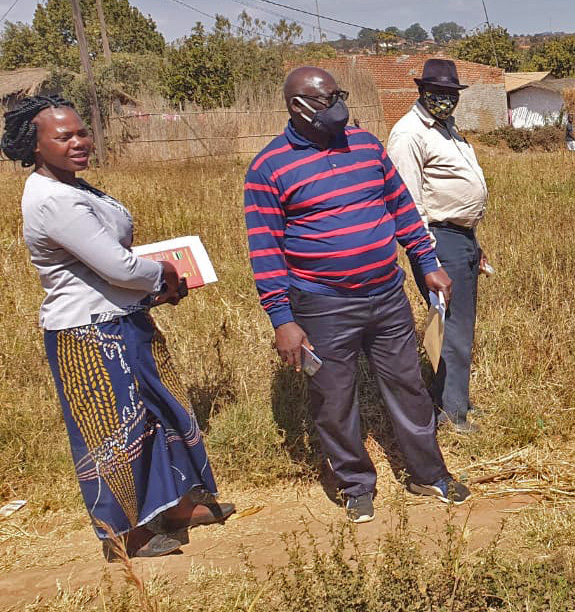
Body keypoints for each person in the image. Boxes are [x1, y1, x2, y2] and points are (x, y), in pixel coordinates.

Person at [7, 96, 234, 561]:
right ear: (36, 145)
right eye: (64, 136)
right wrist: (163, 275)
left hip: (124, 319)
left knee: (159, 414)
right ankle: (124, 534)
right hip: (88, 333)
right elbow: (115, 265)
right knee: (112, 434)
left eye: (81, 132)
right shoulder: (51, 199)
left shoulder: (75, 187)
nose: (79, 142)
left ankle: (175, 508)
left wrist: (150, 284)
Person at [244, 67, 469, 524]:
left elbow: (402, 208)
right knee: (334, 400)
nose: (338, 106)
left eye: (339, 95)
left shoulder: (365, 146)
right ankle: (355, 484)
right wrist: (282, 319)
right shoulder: (268, 168)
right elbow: (265, 250)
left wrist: (427, 263)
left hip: (386, 295)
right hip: (322, 305)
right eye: (327, 99)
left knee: (408, 386)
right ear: (297, 106)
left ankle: (428, 474)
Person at [387, 58, 490, 435]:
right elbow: (408, 204)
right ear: (421, 91)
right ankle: (452, 415)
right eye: (438, 93)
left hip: (460, 236)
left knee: (459, 325)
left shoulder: (446, 128)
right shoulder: (409, 134)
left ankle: (454, 399)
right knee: (452, 329)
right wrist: (428, 258)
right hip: (437, 239)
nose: (446, 99)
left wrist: (474, 242)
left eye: (451, 93)